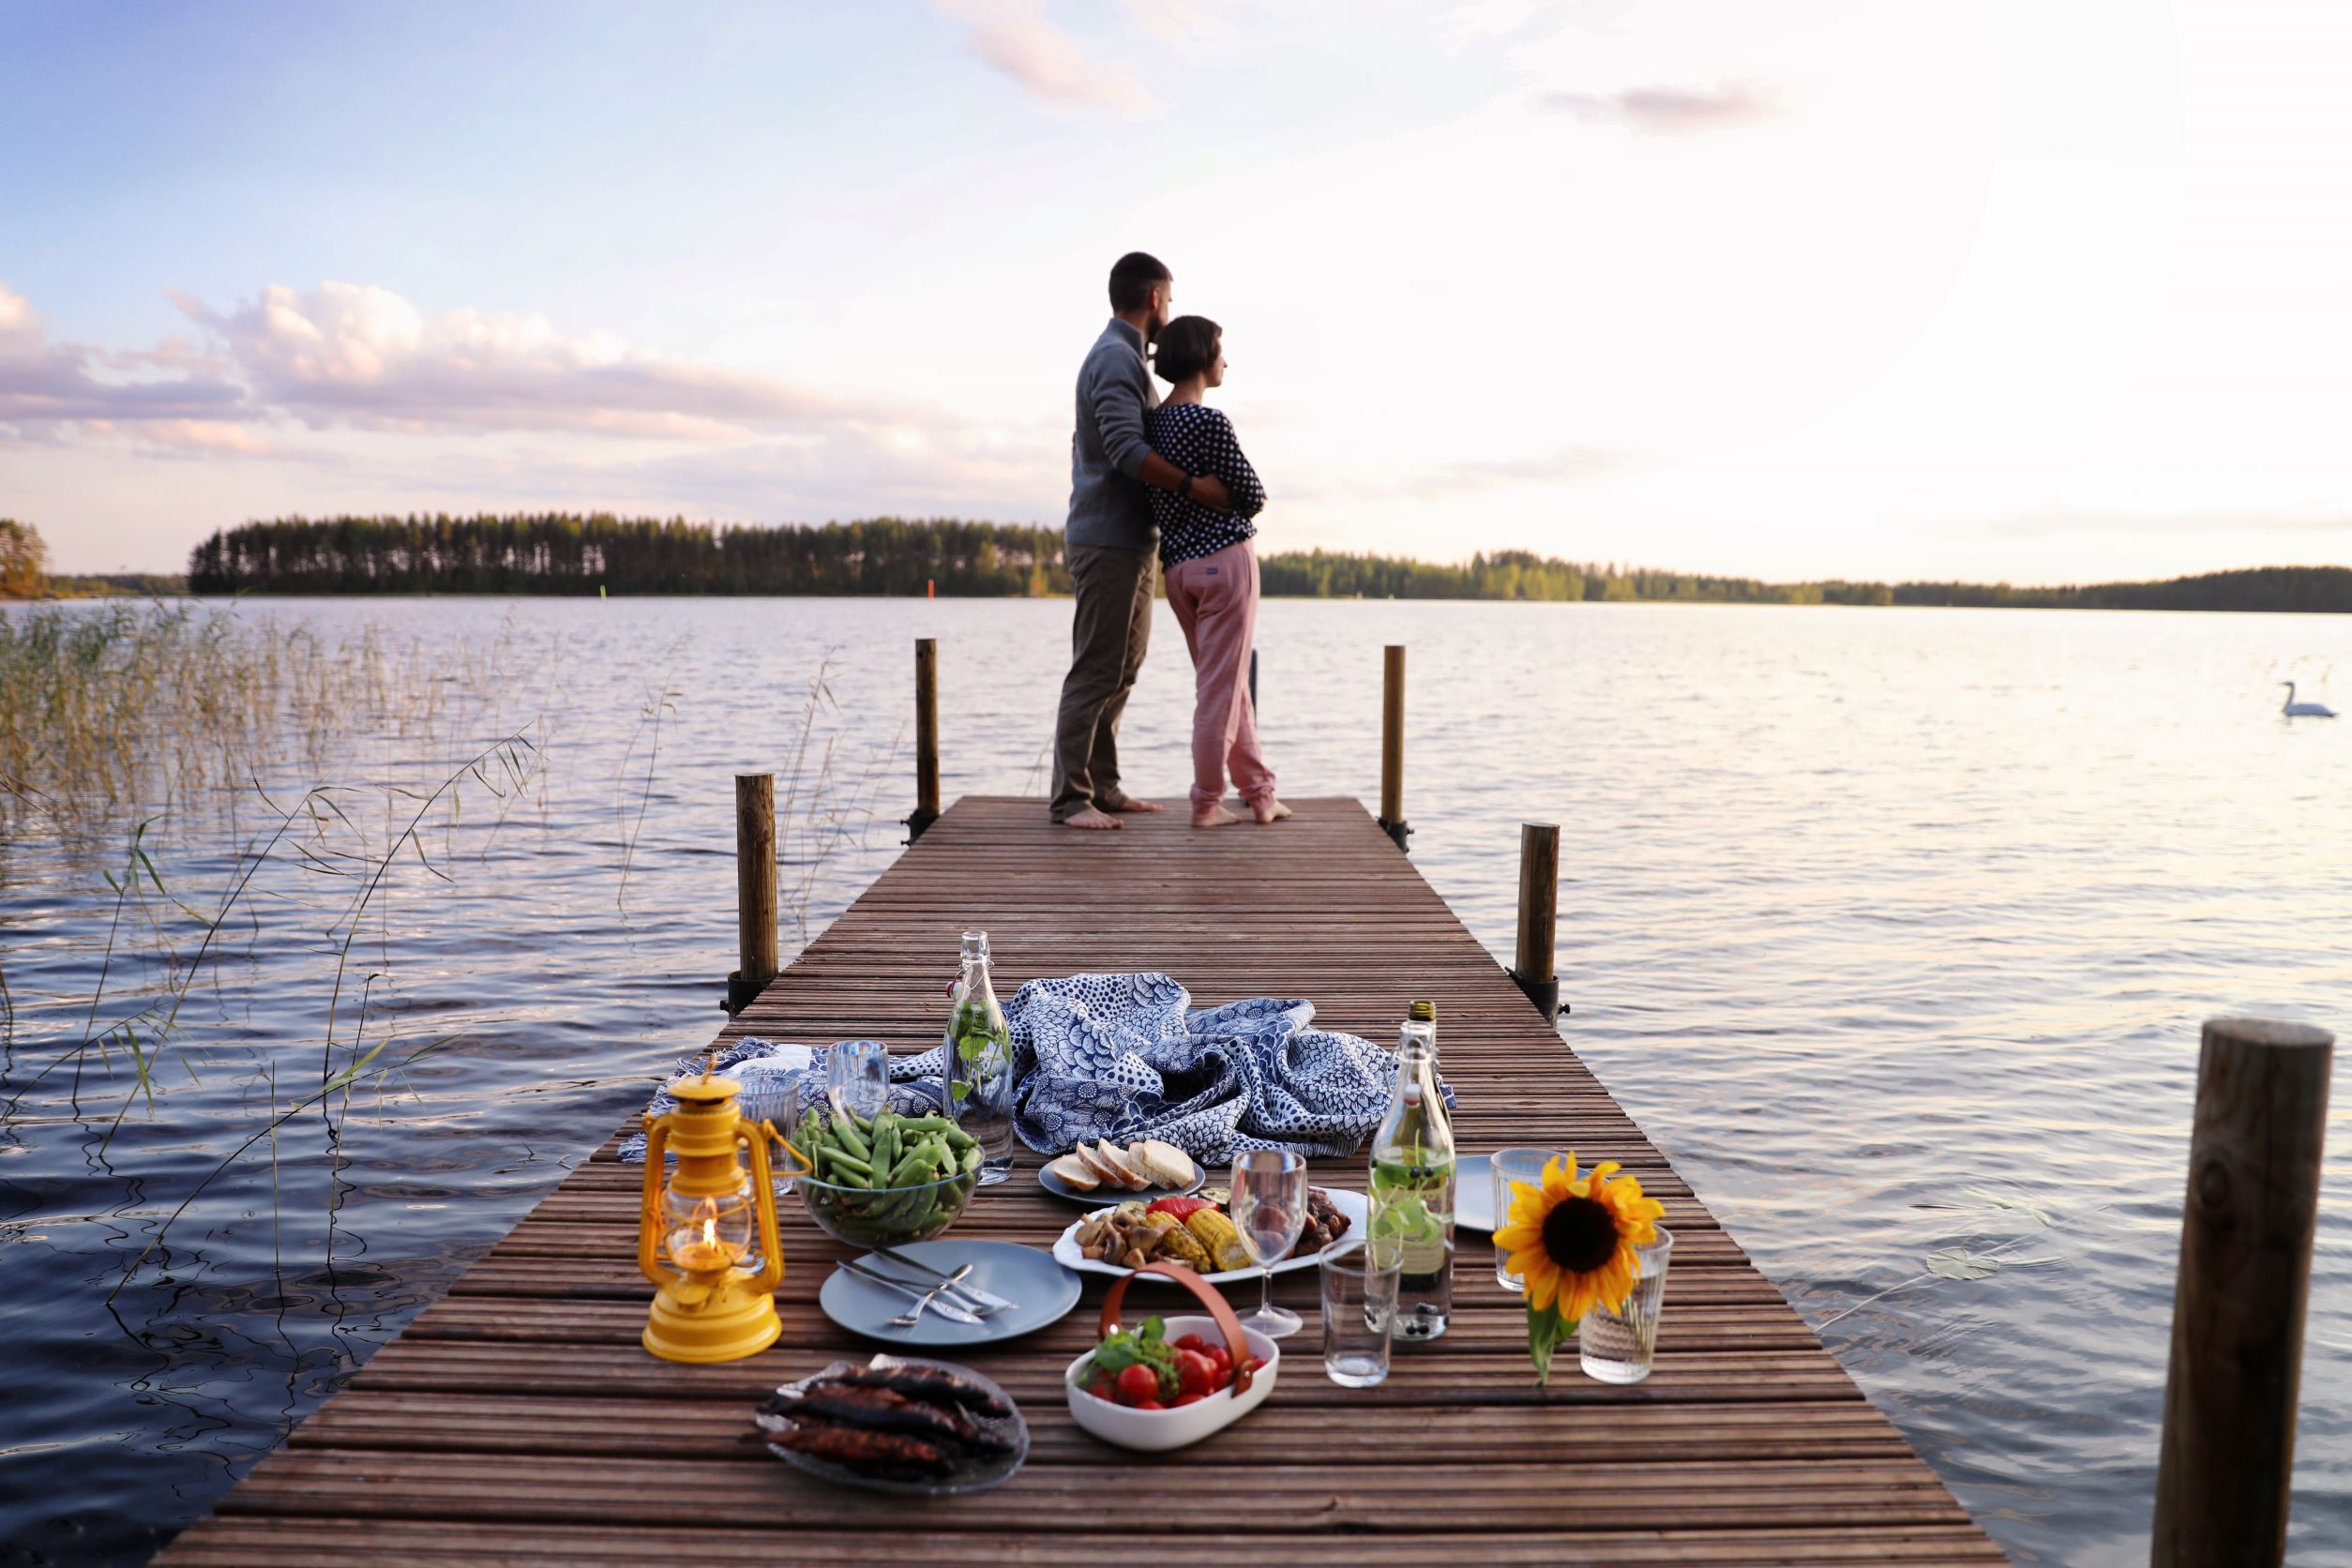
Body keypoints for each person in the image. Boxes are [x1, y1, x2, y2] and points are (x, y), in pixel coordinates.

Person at [1050, 251, 1231, 831]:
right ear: (1154, 297)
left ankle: (1102, 786)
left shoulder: (1127, 360)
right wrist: (1194, 487)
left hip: (1131, 541)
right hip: (1106, 541)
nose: (1170, 311)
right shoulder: (1113, 359)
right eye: (1170, 300)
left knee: (1123, 670)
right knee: (1095, 669)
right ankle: (1070, 799)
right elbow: (1126, 451)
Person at [1142, 316, 1288, 827]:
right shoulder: (1210, 422)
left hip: (1179, 571)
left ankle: (1260, 793)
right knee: (1220, 691)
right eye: (1221, 351)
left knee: (1228, 684)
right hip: (1226, 563)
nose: (1226, 361)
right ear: (1204, 359)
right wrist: (1223, 497)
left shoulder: (1151, 425)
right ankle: (1207, 801)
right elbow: (1252, 496)